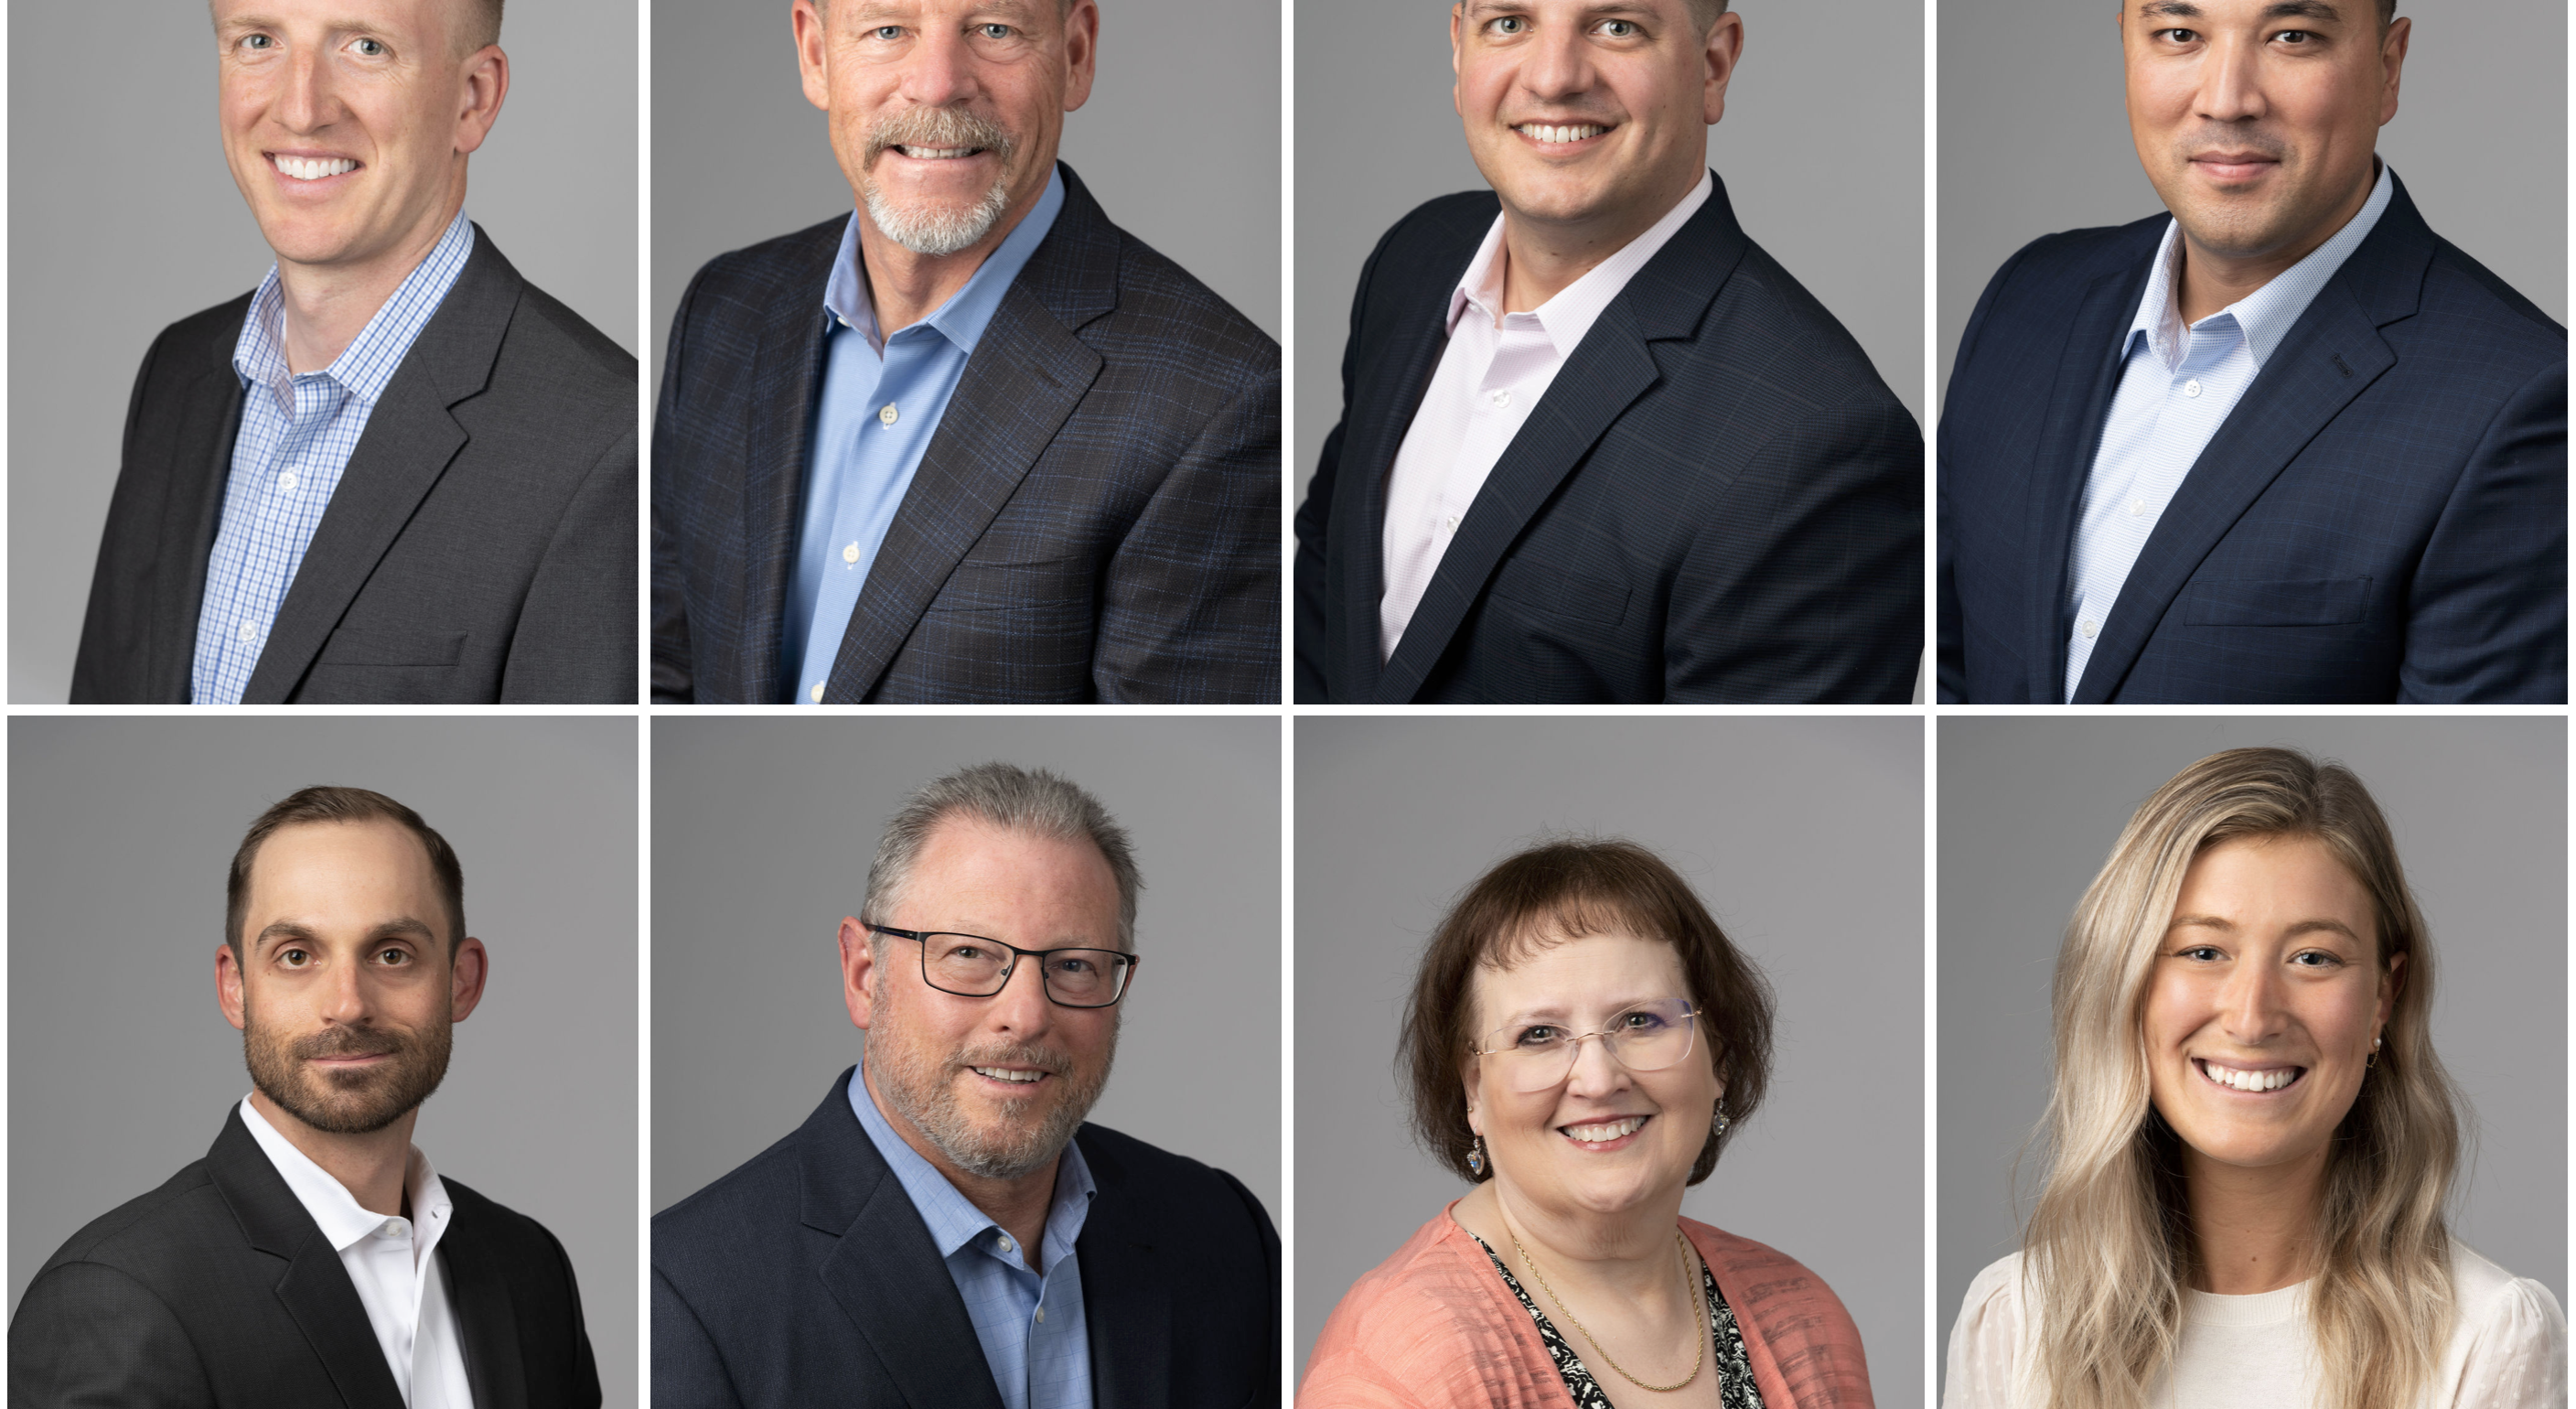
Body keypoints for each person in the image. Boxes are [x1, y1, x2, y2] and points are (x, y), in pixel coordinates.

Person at [651, 0, 1280, 705]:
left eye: (995, 30)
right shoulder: (725, 310)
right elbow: (664, 676)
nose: (938, 82)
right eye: (888, 30)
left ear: (1075, 55)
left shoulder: (1215, 403)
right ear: (816, 53)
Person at [1293, 0, 1921, 704]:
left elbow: (1738, 780)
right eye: (1509, 22)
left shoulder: (1817, 442)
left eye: (1616, 26)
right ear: (1458, 47)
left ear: (1714, 65)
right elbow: (1326, 583)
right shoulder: (1413, 259)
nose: (1554, 77)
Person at [1937, 2, 2566, 704]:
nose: (2227, 100)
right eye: (2180, 35)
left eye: (2292, 37)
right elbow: (1956, 677)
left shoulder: (2523, 403)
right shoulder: (2027, 300)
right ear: (2127, 48)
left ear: (2387, 69)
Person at [1942, 748, 2566, 1409]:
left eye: (2313, 957)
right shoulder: (2016, 1322)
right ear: (2125, 982)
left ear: (2385, 995)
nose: (2252, 1017)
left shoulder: (2488, 1337)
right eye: (2203, 951)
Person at [652, 762, 1279, 1406]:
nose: (1027, 1015)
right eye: (970, 955)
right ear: (865, 974)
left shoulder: (1223, 1235)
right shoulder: (689, 1293)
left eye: (1073, 965)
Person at [70, 0, 638, 705]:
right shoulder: (178, 373)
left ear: (474, 98)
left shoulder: (608, 444)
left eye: (366, 47)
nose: (301, 109)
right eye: (258, 40)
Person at [10, 787, 601, 1407]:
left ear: (461, 980)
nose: (347, 1004)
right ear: (235, 988)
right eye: (296, 956)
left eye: (393, 954)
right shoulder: (119, 1301)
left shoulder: (529, 1267)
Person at [1302, 840, 1874, 1408]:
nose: (1598, 1081)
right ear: (1473, 1089)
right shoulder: (1395, 1368)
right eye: (1540, 1035)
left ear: (1718, 1057)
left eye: (1640, 1020)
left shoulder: (1804, 1320)